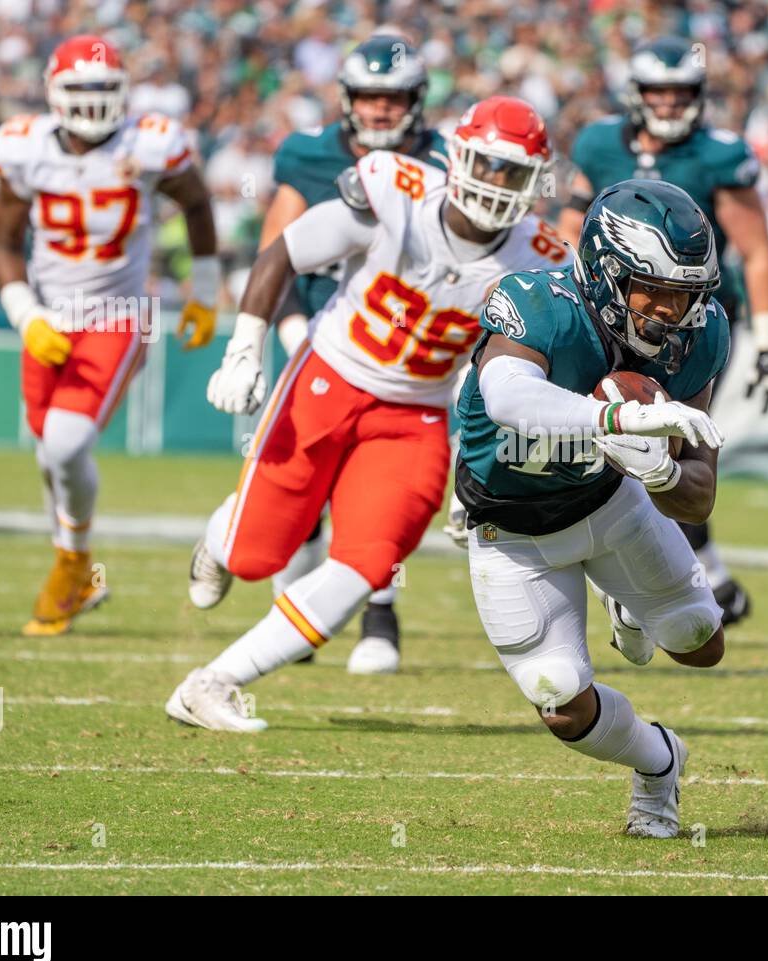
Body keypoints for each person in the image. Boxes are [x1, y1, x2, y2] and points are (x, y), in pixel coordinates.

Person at [166, 96, 564, 731]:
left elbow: (508, 379)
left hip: (416, 417)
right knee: (254, 557)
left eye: (509, 173)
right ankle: (222, 537)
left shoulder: (542, 260)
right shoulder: (393, 187)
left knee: (369, 560)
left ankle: (214, 682)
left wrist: (482, 469)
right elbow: (283, 254)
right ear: (456, 158)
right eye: (484, 166)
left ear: (534, 183)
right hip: (329, 378)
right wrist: (244, 349)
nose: (492, 185)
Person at [456, 179, 728, 837]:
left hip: (608, 501)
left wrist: (659, 467)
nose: (672, 312)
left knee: (699, 641)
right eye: (654, 290)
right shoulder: (539, 304)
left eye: (685, 294)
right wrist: (613, 417)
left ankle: (627, 600)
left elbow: (701, 490)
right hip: (511, 525)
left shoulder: (699, 338)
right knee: (560, 698)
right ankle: (660, 760)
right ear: (607, 274)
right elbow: (508, 398)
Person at [214, 33, 450, 675]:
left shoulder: (447, 162)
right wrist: (279, 338)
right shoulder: (309, 155)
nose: (379, 110)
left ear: (417, 101)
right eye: (369, 97)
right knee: (301, 482)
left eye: (393, 98)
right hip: (320, 333)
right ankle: (287, 601)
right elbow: (276, 251)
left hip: (403, 340)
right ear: (347, 99)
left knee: (377, 489)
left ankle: (379, 613)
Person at [0, 34, 219, 636]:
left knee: (65, 444)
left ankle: (71, 563)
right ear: (54, 93)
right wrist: (26, 316)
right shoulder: (24, 148)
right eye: (81, 89)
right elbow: (3, 241)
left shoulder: (150, 144)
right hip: (48, 313)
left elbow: (196, 203)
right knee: (49, 452)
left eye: (103, 89)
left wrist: (207, 290)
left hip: (120, 314)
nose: (93, 103)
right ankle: (79, 571)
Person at [558, 36, 768, 628]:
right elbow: (568, 230)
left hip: (688, 324)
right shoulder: (600, 142)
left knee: (673, 440)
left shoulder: (718, 155)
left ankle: (662, 573)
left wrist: (766, 344)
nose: (667, 101)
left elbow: (757, 252)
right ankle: (683, 569)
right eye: (658, 89)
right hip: (604, 313)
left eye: (680, 90)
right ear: (635, 93)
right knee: (596, 429)